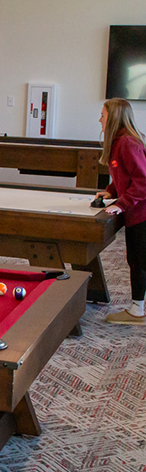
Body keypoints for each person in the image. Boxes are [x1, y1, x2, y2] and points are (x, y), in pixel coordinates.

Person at [95, 98, 146, 324]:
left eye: (103, 116)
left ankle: (137, 310)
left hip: (142, 214)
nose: (100, 120)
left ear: (113, 117)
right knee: (135, 259)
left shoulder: (128, 142)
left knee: (139, 261)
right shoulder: (118, 142)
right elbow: (122, 174)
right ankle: (138, 307)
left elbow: (143, 182)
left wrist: (121, 204)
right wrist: (111, 192)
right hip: (135, 213)